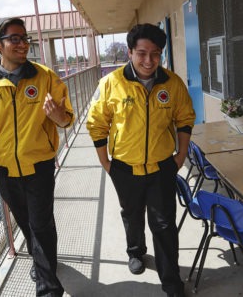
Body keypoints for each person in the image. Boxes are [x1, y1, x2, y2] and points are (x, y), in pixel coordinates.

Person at [86, 23, 195, 297]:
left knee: (164, 225)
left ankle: (172, 283)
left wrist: (180, 156)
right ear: (130, 52)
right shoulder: (111, 84)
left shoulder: (172, 83)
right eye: (142, 53)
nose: (149, 60)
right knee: (132, 216)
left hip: (161, 168)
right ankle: (135, 252)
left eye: (155, 54)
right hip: (124, 168)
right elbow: (96, 124)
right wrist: (106, 163)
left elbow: (184, 119)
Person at [0, 17, 74, 297]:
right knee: (27, 223)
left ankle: (48, 287)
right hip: (4, 170)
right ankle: (45, 263)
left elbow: (67, 120)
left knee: (40, 224)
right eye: (14, 38)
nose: (22, 44)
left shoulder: (45, 77)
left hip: (39, 166)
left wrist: (57, 116)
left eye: (25, 38)